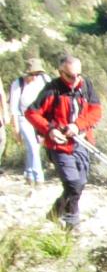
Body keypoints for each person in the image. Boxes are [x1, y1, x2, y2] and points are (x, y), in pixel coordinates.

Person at [25, 55, 102, 231]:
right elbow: (32, 112)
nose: (76, 80)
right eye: (70, 76)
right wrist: (49, 129)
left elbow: (96, 111)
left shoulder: (86, 85)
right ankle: (72, 223)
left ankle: (55, 211)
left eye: (78, 75)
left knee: (80, 183)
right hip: (59, 145)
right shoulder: (52, 89)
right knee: (72, 183)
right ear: (61, 73)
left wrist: (77, 126)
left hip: (81, 140)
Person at [9, 57, 49, 187]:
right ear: (26, 73)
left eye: (38, 74)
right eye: (33, 74)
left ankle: (29, 173)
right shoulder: (17, 84)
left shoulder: (45, 80)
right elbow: (14, 108)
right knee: (32, 145)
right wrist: (15, 129)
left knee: (35, 147)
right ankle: (39, 178)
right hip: (23, 117)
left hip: (40, 117)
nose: (35, 77)